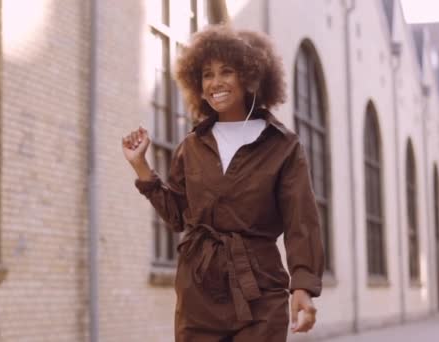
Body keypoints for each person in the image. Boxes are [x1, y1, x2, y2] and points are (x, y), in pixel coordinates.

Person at [121, 24, 324, 342]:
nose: (215, 82)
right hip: (198, 291)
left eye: (226, 71)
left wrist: (303, 286)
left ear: (249, 76)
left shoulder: (283, 145)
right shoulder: (192, 145)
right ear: (197, 85)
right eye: (206, 74)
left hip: (259, 291)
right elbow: (177, 215)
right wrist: (141, 166)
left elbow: (302, 220)